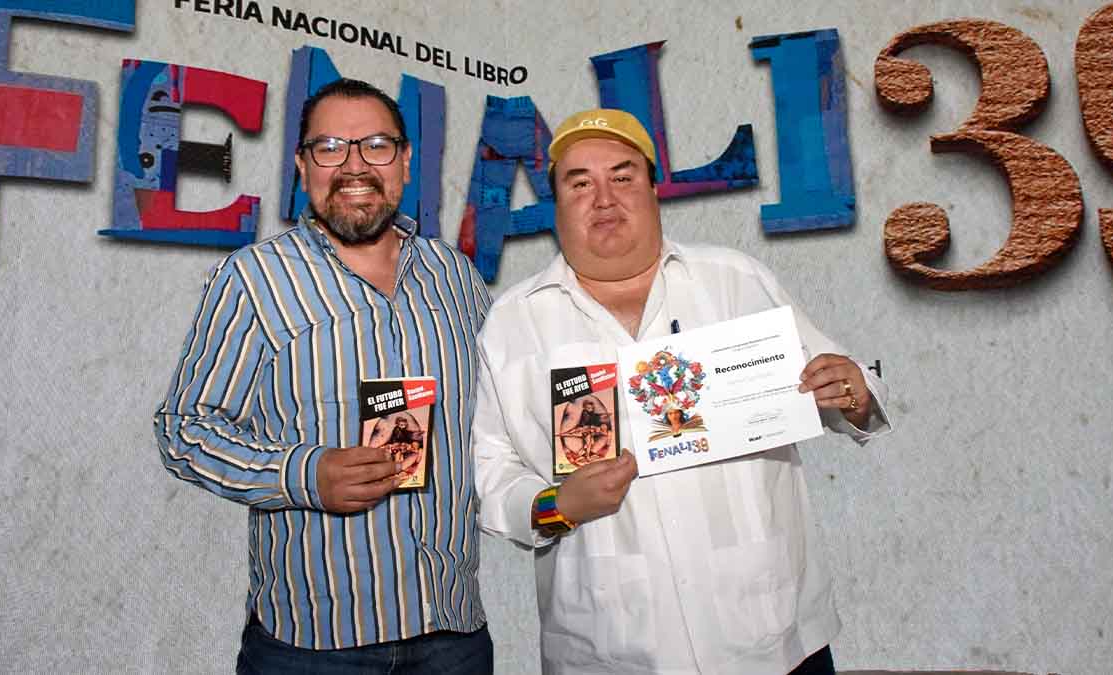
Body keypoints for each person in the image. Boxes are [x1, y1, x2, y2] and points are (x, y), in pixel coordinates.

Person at [473, 109, 892, 675]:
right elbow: (492, 472)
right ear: (556, 204)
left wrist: (853, 390)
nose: (604, 198)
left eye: (622, 177)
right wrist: (556, 506)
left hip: (772, 638)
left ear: (652, 189)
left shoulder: (735, 281)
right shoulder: (512, 323)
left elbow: (848, 392)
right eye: (580, 183)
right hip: (609, 652)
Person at [154, 78, 493, 674]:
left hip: (453, 633)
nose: (354, 166)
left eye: (377, 146)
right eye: (330, 147)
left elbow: (497, 415)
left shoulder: (455, 276)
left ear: (405, 161)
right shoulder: (253, 279)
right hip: (311, 645)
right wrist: (304, 473)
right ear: (302, 164)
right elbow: (183, 430)